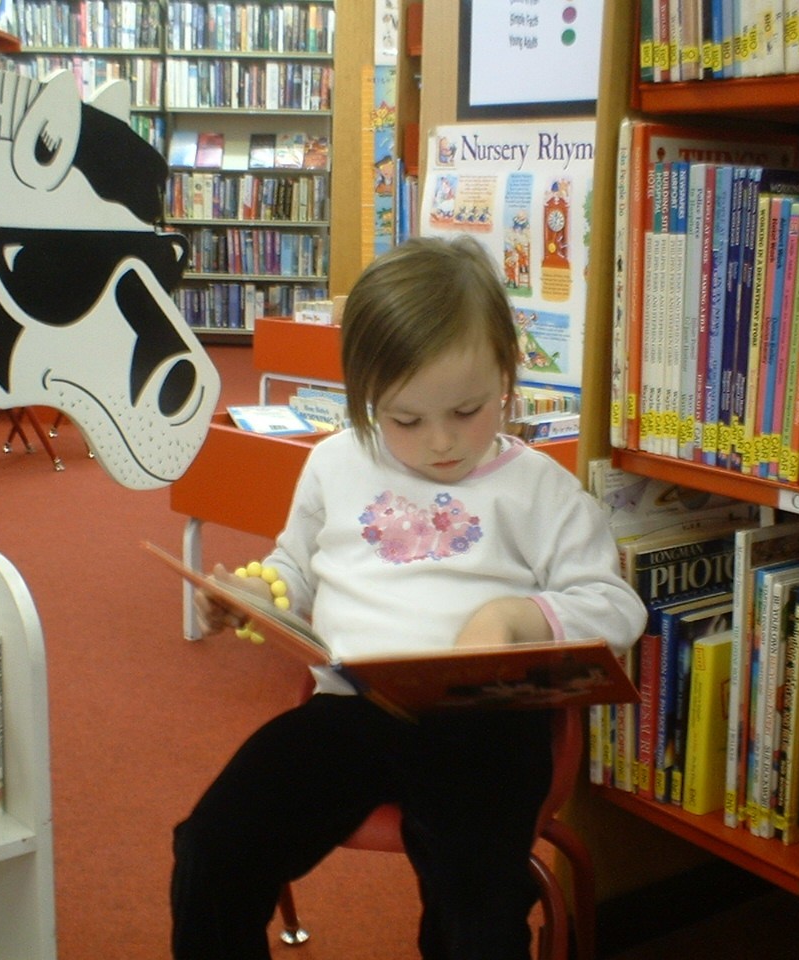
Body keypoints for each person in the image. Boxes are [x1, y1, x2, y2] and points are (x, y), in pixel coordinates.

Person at [171, 235, 646, 960]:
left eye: (469, 409)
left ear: (507, 374)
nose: (441, 443)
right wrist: (255, 593)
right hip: (353, 709)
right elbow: (297, 566)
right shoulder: (334, 464)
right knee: (212, 848)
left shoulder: (540, 490)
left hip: (486, 723)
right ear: (365, 397)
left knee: (477, 912)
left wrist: (517, 616)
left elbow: (614, 607)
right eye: (405, 420)